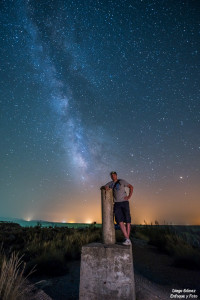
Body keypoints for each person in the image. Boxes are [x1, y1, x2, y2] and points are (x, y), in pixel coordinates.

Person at [101, 171, 133, 246]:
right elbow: (103, 187)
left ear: (116, 175)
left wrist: (129, 196)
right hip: (117, 204)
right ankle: (127, 238)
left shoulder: (122, 181)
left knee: (128, 220)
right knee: (119, 220)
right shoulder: (110, 183)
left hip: (124, 202)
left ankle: (127, 239)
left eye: (114, 175)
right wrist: (105, 187)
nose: (113, 176)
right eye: (111, 175)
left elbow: (131, 187)